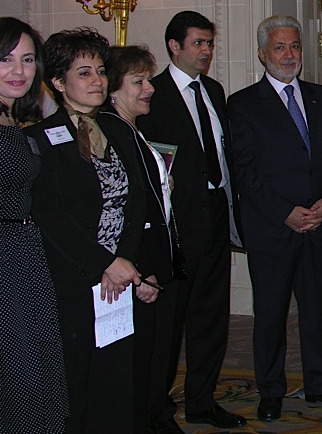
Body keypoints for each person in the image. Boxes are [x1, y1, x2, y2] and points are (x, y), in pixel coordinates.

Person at [228, 15, 322, 420]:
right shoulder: (243, 104)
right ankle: (270, 390)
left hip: (318, 226)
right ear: (262, 54)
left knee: (316, 310)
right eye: (279, 47)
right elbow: (244, 172)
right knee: (270, 314)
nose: (288, 55)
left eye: (295, 46)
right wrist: (285, 213)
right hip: (272, 230)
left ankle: (319, 384)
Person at [26, 27, 148, 432]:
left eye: (100, 71)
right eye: (84, 73)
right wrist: (103, 264)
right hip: (73, 280)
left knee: (115, 381)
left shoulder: (118, 130)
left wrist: (124, 260)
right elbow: (50, 215)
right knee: (75, 383)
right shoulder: (39, 139)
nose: (97, 80)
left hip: (119, 277)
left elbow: (137, 201)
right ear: (58, 83)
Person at [136, 11, 246, 430]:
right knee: (169, 322)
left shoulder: (214, 91)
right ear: (174, 46)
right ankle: (157, 409)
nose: (206, 51)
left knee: (211, 316)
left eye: (209, 43)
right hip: (177, 226)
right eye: (198, 43)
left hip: (216, 217)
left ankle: (202, 401)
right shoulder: (153, 93)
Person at [0, 17, 69, 432]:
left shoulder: (9, 121)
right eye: (5, 59)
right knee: (13, 382)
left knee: (34, 376)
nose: (19, 70)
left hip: (23, 257)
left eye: (28, 59)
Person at [105, 45, 181, 433]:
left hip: (152, 262)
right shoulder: (114, 132)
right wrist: (145, 270)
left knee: (155, 353)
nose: (149, 88)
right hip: (138, 269)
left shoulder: (133, 130)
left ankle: (155, 415)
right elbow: (127, 214)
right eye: (138, 82)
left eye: (148, 80)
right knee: (139, 360)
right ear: (113, 89)